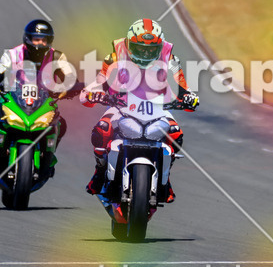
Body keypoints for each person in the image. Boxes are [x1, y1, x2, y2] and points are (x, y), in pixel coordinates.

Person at [79, 18, 200, 202]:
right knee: (102, 129)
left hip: (158, 109)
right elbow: (99, 81)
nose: (144, 53)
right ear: (128, 44)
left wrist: (190, 98)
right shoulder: (114, 57)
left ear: (159, 47)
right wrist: (91, 93)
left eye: (150, 49)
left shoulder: (171, 60)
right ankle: (100, 170)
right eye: (139, 48)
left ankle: (165, 179)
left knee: (176, 133)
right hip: (121, 106)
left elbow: (183, 86)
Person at [0, 19, 75, 172]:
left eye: (44, 40)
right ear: (28, 39)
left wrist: (70, 87)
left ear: (49, 40)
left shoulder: (57, 56)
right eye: (37, 39)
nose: (40, 43)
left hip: (44, 101)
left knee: (61, 125)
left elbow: (68, 77)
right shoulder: (12, 54)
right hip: (13, 98)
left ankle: (48, 155)